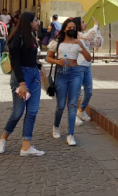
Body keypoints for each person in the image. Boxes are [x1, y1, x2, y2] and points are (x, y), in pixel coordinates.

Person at [0, 12, 45, 156]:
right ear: (28, 22)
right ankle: (3, 139)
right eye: (35, 20)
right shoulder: (16, 39)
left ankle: (26, 146)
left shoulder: (32, 37)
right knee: (17, 112)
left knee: (32, 112)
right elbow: (16, 62)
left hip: (34, 77)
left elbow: (30, 58)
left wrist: (39, 67)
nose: (38, 23)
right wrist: (22, 83)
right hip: (21, 78)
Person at [46, 18, 92, 146]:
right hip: (61, 74)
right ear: (64, 29)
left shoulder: (79, 42)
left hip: (75, 74)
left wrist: (81, 46)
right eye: (69, 27)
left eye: (73, 28)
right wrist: (56, 61)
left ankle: (70, 134)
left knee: (72, 105)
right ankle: (56, 126)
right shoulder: (57, 42)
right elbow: (48, 57)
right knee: (60, 105)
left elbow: (89, 58)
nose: (71, 29)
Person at [75, 16, 104, 124]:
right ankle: (73, 115)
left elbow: (97, 43)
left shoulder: (84, 35)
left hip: (87, 66)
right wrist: (95, 26)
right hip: (78, 66)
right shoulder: (77, 35)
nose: (85, 24)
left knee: (89, 92)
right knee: (76, 93)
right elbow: (87, 37)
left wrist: (98, 30)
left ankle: (81, 110)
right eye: (82, 22)